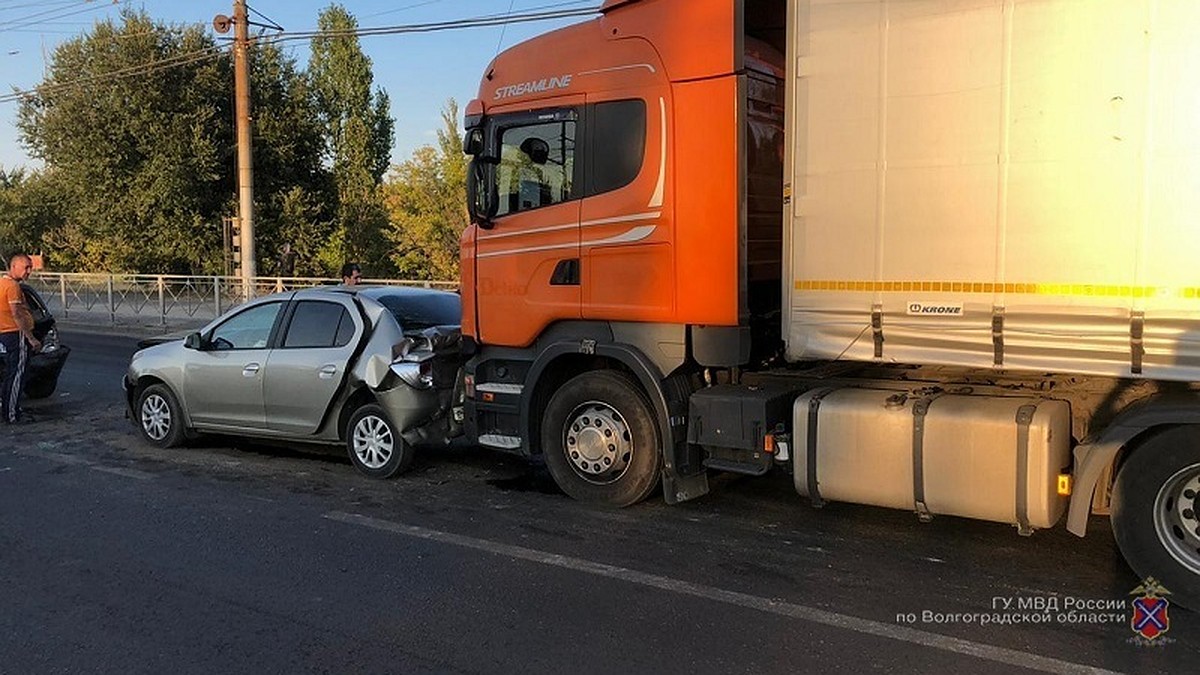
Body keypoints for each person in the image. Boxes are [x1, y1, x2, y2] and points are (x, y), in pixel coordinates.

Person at [1, 253, 41, 424]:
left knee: (12, 373)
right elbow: (16, 314)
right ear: (14, 266)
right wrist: (31, 338)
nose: (29, 271)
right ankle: (12, 414)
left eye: (30, 267)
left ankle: (9, 408)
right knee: (17, 373)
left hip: (6, 333)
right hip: (15, 332)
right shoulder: (12, 286)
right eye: (26, 267)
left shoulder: (2, 283)